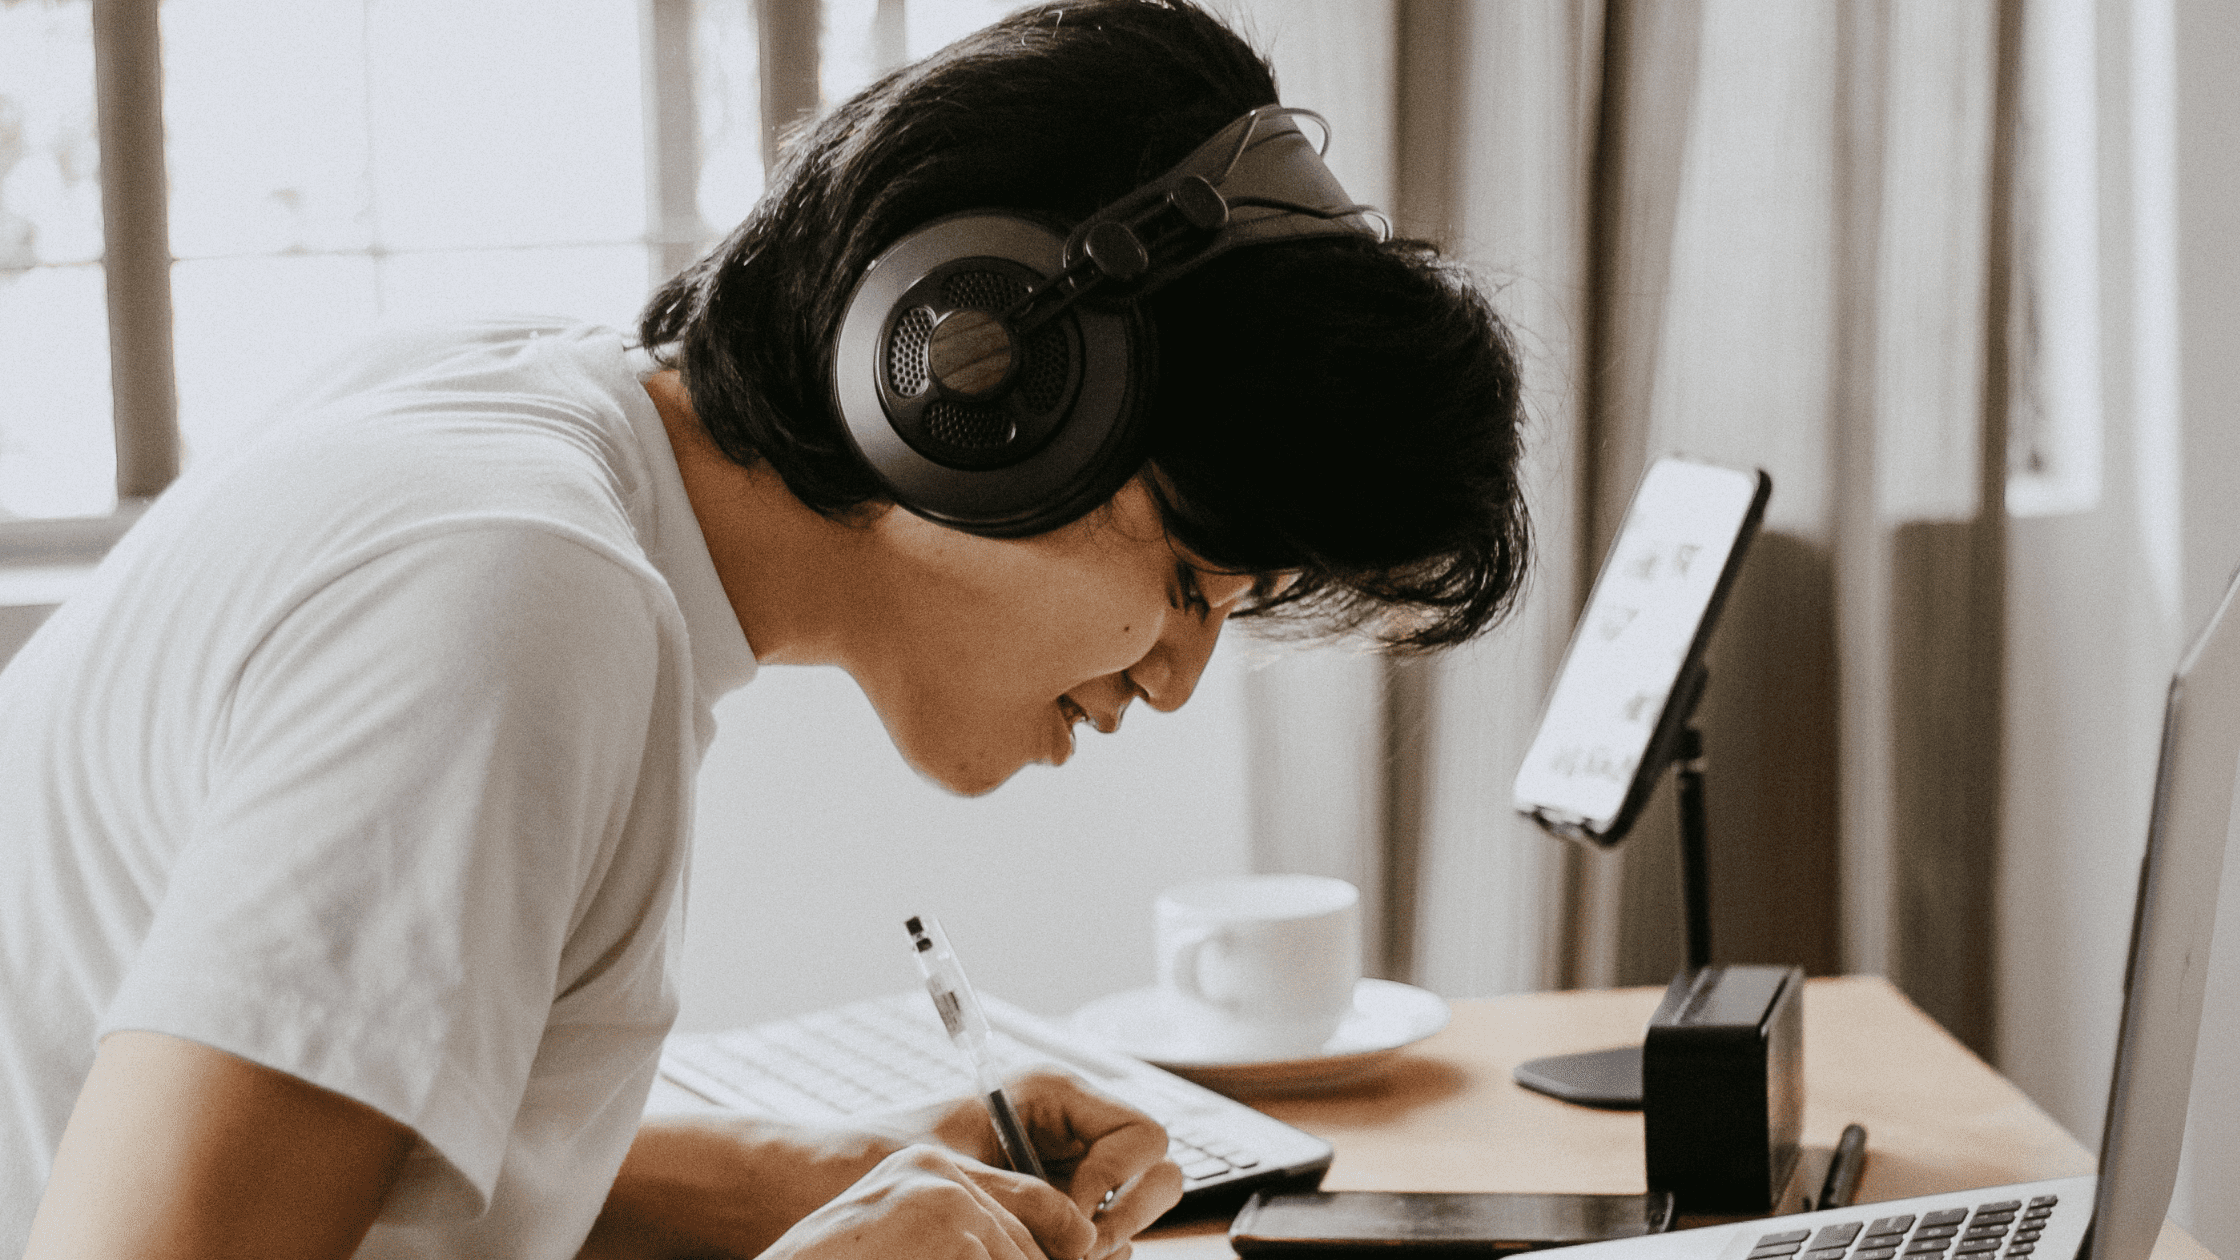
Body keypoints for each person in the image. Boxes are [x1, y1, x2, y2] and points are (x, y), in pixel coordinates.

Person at [0, 1, 1531, 1257]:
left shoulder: (517, 436)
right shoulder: (516, 603)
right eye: (1193, 578)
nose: (1182, 679)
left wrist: (807, 1177)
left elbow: (371, 1164)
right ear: (980, 394)